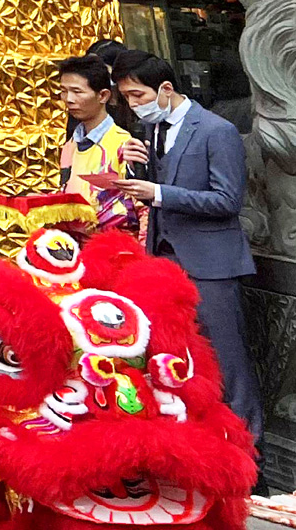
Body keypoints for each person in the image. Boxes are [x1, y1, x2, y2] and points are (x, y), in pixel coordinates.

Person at [113, 54, 263, 442]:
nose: (133, 105)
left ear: (165, 89)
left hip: (212, 263)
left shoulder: (217, 130)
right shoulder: (152, 130)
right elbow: (153, 190)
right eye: (127, 98)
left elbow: (227, 201)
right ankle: (204, 443)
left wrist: (159, 192)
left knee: (228, 362)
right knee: (179, 356)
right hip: (164, 259)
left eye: (137, 95)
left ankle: (250, 454)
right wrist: (134, 171)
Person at [57, 54, 146, 238]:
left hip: (116, 250)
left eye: (77, 91)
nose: (68, 99)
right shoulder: (70, 146)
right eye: (63, 91)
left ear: (103, 95)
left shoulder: (125, 144)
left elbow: (143, 207)